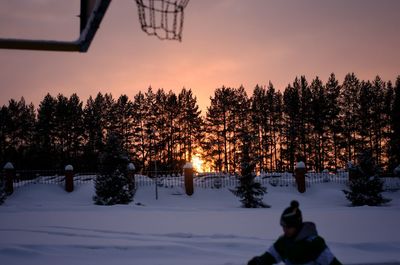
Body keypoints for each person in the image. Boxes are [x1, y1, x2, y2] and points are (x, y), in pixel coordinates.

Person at [248, 200, 342, 265]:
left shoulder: (314, 244)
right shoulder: (283, 242)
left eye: (288, 226)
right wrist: (259, 261)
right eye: (283, 226)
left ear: (297, 225)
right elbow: (271, 256)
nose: (285, 229)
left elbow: (332, 263)